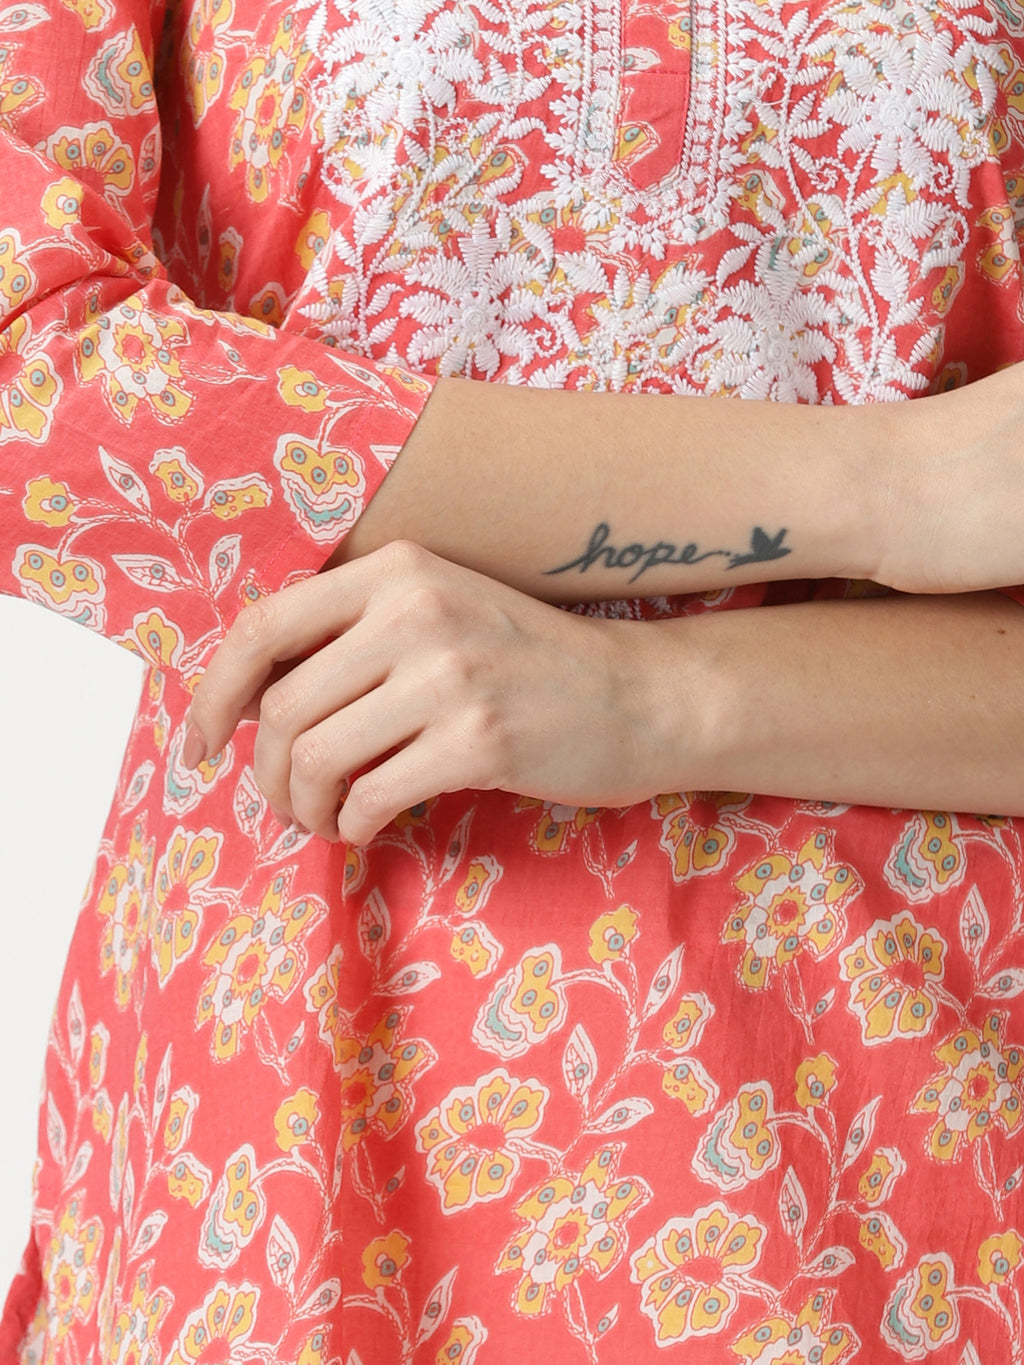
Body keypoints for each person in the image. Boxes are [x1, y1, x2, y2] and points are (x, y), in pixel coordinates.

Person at [2, 0, 1024, 1360]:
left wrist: (650, 690)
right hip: (310, 1106)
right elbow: (33, 381)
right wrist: (883, 487)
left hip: (903, 1142)